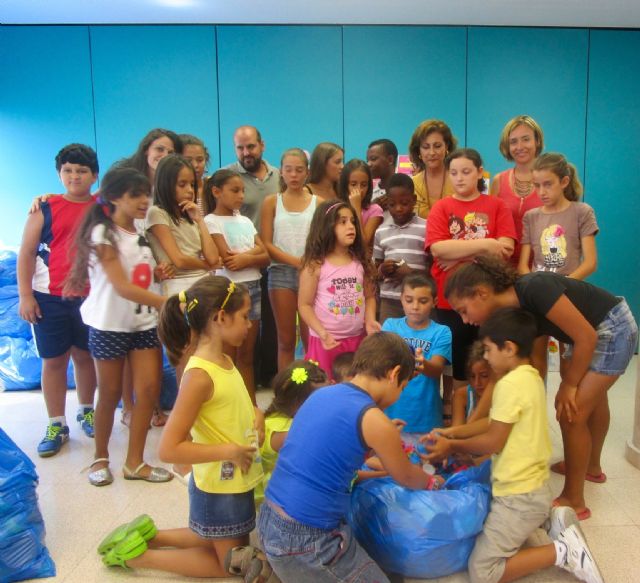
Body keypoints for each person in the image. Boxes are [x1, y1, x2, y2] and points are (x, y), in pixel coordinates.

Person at [98, 276, 270, 580]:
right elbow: (168, 449)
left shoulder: (224, 360)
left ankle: (151, 536)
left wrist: (256, 415)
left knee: (222, 538)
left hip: (232, 482)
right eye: (245, 316)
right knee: (229, 564)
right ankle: (138, 556)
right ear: (220, 318)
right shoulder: (199, 376)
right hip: (219, 487)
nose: (249, 324)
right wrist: (229, 451)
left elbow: (235, 407)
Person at [444, 256, 638, 520]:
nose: (465, 320)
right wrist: (471, 427)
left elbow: (586, 336)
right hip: (584, 333)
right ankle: (590, 467)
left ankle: (574, 499)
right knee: (590, 401)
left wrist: (569, 384)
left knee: (571, 413)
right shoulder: (514, 314)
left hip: (611, 327)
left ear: (481, 293)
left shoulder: (534, 288)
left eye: (463, 310)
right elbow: (525, 367)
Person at [424, 307, 604, 583]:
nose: (485, 357)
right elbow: (493, 423)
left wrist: (450, 447)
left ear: (508, 348)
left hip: (519, 496)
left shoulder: (509, 385)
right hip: (533, 487)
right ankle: (549, 519)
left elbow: (493, 440)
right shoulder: (529, 376)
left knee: (483, 571)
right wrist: (452, 433)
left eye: (488, 350)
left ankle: (563, 551)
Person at [258, 332, 437, 582]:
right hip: (306, 542)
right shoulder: (374, 419)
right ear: (394, 374)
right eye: (403, 387)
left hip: (269, 520)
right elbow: (406, 476)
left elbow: (336, 445)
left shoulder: (322, 394)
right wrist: (431, 482)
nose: (400, 394)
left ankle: (280, 569)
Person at [65, 166, 172, 486]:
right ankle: (100, 457)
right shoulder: (102, 233)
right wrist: (167, 303)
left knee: (149, 390)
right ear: (113, 197)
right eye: (135, 195)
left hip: (143, 324)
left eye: (146, 195)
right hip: (109, 325)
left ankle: (135, 462)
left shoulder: (139, 234)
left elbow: (138, 277)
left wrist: (157, 275)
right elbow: (121, 286)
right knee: (110, 393)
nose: (144, 201)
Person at [17, 144, 99, 457]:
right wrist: (26, 295)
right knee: (54, 361)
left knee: (85, 356)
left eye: (81, 171)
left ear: (94, 175)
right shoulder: (44, 208)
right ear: (59, 174)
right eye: (68, 170)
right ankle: (56, 424)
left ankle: (87, 411)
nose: (74, 176)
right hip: (49, 297)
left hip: (91, 297)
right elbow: (26, 253)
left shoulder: (103, 207)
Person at [426, 148, 516, 423]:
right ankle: (461, 423)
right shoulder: (442, 207)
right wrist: (486, 245)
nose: (460, 178)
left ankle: (491, 420)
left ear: (479, 172)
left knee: (491, 362)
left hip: (488, 302)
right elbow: (438, 249)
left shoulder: (497, 206)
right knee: (460, 366)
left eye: (466, 172)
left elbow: (505, 249)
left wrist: (458, 255)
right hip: (451, 303)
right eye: (454, 173)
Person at [203, 169, 270, 403]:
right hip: (230, 292)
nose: (241, 196)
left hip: (254, 287)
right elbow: (227, 259)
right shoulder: (210, 221)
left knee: (247, 355)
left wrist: (246, 258)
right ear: (216, 192)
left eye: (242, 190)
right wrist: (253, 254)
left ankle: (250, 406)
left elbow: (265, 255)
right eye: (235, 191)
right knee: (228, 355)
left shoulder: (246, 221)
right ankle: (230, 404)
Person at [298, 199, 381, 379]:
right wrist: (322, 333)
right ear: (326, 227)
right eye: (342, 222)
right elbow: (304, 305)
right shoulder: (315, 265)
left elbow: (369, 297)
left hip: (357, 340)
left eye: (352, 221)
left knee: (356, 384)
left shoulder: (360, 262)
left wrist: (369, 320)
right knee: (326, 385)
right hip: (326, 342)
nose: (351, 226)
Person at [261, 148, 317, 370]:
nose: (294, 175)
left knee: (310, 338)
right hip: (280, 273)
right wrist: (295, 262)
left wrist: (307, 264)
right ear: (281, 172)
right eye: (289, 169)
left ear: (307, 173)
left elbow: (322, 240)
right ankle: (284, 388)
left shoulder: (318, 202)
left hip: (310, 273)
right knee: (285, 340)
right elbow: (266, 243)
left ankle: (311, 387)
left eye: (299, 170)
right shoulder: (271, 202)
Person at [382, 274, 451, 438]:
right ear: (401, 299)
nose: (415, 306)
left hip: (426, 419)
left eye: (423, 301)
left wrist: (421, 364)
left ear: (434, 302)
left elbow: (437, 369)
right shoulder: (390, 325)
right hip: (391, 416)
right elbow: (382, 363)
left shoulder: (442, 332)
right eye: (409, 300)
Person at [254, 359, 328, 507]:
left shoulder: (276, 418)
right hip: (275, 501)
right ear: (297, 402)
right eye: (321, 399)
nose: (327, 402)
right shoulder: (288, 432)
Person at [146, 154, 219, 297]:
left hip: (202, 281)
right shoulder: (157, 213)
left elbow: (213, 258)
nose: (190, 190)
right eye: (182, 184)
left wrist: (200, 220)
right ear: (166, 185)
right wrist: (206, 265)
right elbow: (179, 260)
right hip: (177, 285)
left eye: (192, 184)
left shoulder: (190, 215)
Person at [520, 153, 597, 279]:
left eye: (548, 184)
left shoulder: (582, 212)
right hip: (537, 285)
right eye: (537, 185)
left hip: (569, 285)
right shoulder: (530, 216)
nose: (541, 192)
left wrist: (561, 286)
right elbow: (522, 266)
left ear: (564, 182)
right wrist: (533, 285)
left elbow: (590, 263)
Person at [373, 173, 428, 322]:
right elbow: (376, 271)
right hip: (390, 301)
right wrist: (383, 269)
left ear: (414, 200)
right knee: (389, 336)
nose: (398, 209)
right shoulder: (381, 231)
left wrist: (410, 274)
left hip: (419, 300)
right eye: (392, 204)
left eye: (404, 203)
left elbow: (432, 269)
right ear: (387, 203)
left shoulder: (426, 228)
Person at [490, 115, 545, 265]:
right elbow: (491, 227)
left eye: (526, 139)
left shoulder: (551, 180)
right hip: (503, 267)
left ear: (537, 141)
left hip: (542, 268)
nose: (520, 147)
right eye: (513, 142)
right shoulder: (498, 180)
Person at [225, 125, 280, 229]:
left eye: (250, 146)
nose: (246, 153)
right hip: (245, 240)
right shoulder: (225, 177)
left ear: (262, 145)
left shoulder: (278, 175)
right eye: (240, 148)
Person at [408, 119, 457, 219]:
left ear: (447, 147)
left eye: (437, 146)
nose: (432, 152)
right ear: (418, 151)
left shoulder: (459, 180)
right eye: (426, 147)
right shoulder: (412, 184)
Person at [337, 158, 383, 249]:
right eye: (353, 184)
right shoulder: (336, 208)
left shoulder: (375, 210)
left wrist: (356, 208)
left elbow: (363, 244)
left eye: (364, 185)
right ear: (345, 185)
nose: (359, 190)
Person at [451, 340, 495, 427]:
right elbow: (456, 430)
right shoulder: (462, 395)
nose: (477, 383)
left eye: (484, 376)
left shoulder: (504, 394)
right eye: (472, 376)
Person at [179, 134, 210, 214]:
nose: (195, 165)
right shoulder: (173, 192)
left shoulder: (214, 187)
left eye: (200, 160)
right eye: (188, 161)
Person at [366, 138, 398, 204]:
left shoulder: (408, 188)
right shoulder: (369, 195)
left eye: (373, 159)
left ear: (390, 160)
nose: (368, 164)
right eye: (367, 160)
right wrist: (373, 207)